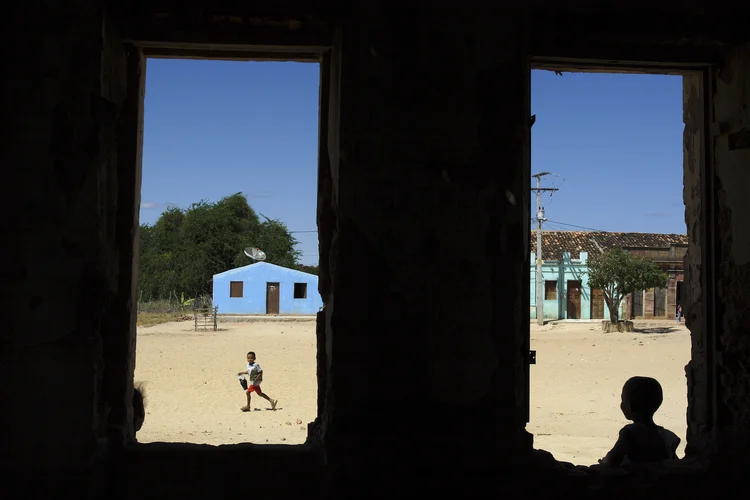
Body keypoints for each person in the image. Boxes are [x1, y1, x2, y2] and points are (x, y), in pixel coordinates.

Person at [598, 376, 680, 466]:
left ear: (630, 405)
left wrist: (604, 462)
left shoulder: (631, 432)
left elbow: (613, 459)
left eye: (623, 399)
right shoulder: (668, 436)